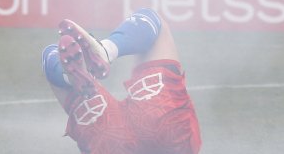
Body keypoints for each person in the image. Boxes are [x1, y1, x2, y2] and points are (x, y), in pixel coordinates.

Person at [42, 9, 201, 154]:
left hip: (170, 133)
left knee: (155, 23)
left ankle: (106, 50)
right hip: (111, 143)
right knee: (52, 53)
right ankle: (67, 76)